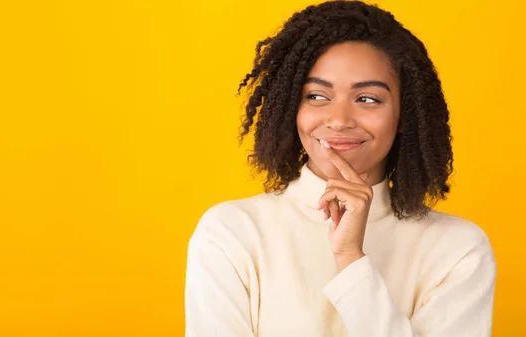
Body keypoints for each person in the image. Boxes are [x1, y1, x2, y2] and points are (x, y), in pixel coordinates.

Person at [184, 1, 496, 336]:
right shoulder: (231, 234)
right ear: (293, 107)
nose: (339, 120)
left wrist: (350, 259)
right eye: (317, 96)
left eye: (367, 99)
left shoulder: (459, 250)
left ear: (404, 115)